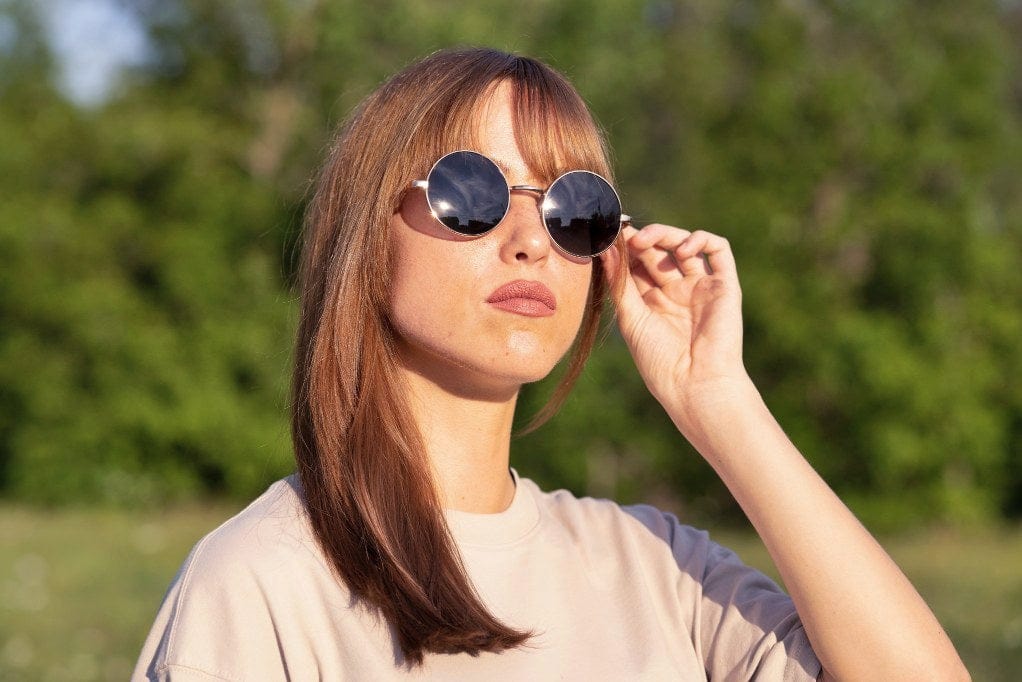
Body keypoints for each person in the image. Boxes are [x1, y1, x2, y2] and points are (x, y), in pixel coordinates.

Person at [134, 47, 969, 681]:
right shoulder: (261, 582)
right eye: (473, 193)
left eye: (576, 208)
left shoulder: (657, 567)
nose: (533, 239)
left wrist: (720, 401)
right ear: (367, 233)